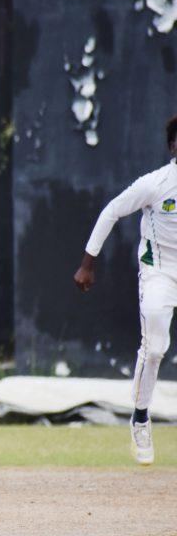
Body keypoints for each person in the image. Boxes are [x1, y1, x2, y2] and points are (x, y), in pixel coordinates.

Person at [74, 115, 177, 466]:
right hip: (160, 272)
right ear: (173, 147)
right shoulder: (157, 183)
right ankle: (141, 418)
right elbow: (112, 211)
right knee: (156, 348)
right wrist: (88, 263)